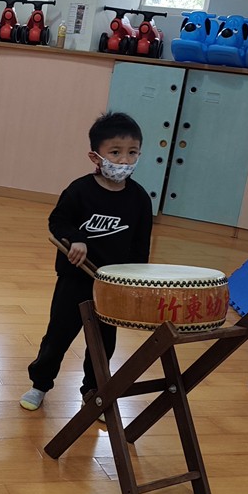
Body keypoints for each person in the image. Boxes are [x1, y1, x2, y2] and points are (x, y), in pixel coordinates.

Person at [20, 112, 153, 414]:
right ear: (96, 156)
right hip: (75, 280)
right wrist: (76, 239)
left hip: (111, 287)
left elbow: (140, 247)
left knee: (103, 345)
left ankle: (93, 393)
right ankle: (40, 384)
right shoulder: (80, 190)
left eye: (132, 152)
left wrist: (134, 282)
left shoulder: (140, 199)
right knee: (58, 336)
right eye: (115, 152)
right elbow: (58, 221)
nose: (124, 160)